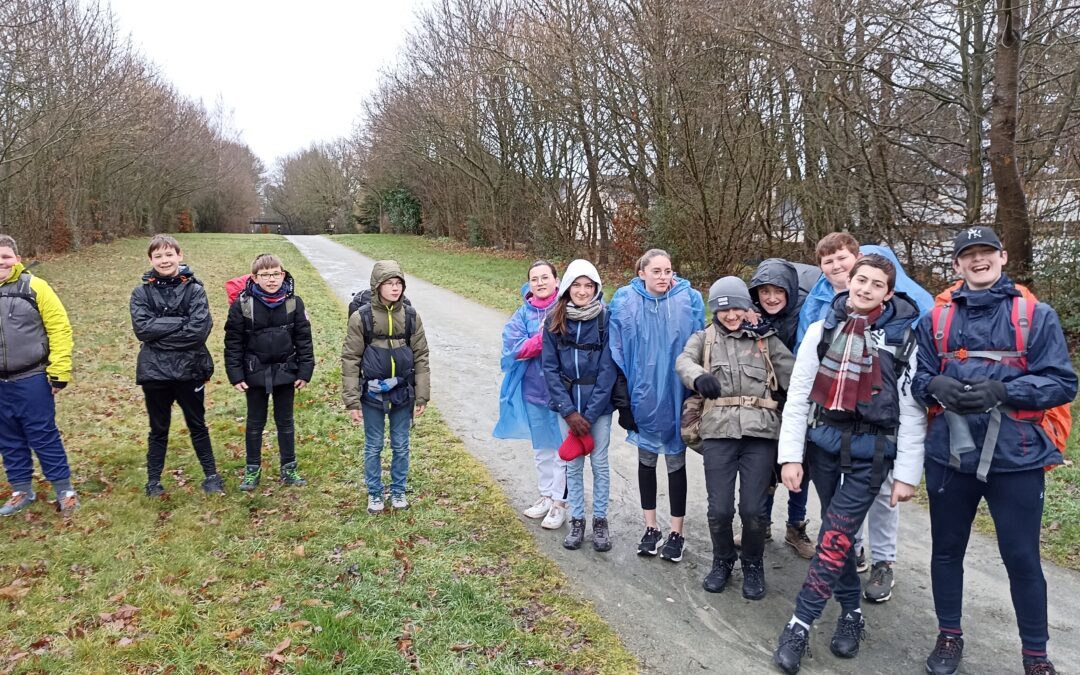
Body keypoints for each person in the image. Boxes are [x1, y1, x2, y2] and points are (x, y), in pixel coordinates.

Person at [914, 227, 1076, 675]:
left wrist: (1002, 390)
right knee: (946, 550)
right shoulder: (936, 319)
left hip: (1017, 457)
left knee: (1021, 557)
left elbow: (1063, 383)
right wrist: (934, 384)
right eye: (968, 255)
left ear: (1003, 257)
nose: (978, 260)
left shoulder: (1035, 315)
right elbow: (918, 378)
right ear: (956, 265)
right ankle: (949, 636)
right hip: (950, 455)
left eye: (986, 252)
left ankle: (1036, 656)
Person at [773, 254, 925, 674]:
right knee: (836, 539)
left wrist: (907, 475)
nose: (865, 289)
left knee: (835, 536)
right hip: (823, 447)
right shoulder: (824, 328)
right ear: (849, 282)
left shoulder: (903, 337)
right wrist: (791, 455)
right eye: (860, 280)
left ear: (888, 293)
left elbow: (911, 409)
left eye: (876, 284)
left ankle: (799, 625)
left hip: (872, 454)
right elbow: (800, 392)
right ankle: (852, 614)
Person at [796, 232, 934, 602]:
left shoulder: (899, 294)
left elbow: (923, 329)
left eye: (843, 259)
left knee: (883, 492)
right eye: (829, 262)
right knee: (840, 495)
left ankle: (884, 561)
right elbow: (806, 346)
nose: (837, 267)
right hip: (836, 413)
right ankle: (849, 548)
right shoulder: (823, 302)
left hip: (881, 415)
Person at [676, 276, 793, 598]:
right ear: (714, 310)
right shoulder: (704, 339)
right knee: (720, 510)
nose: (731, 316)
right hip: (718, 432)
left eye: (737, 308)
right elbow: (683, 361)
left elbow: (796, 376)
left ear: (747, 307)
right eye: (723, 310)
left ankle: (753, 563)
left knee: (754, 510)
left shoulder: (765, 340)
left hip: (760, 434)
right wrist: (699, 377)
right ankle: (723, 560)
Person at [609, 249, 705, 562]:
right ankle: (651, 527)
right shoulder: (625, 301)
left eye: (668, 271)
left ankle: (677, 532)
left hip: (677, 395)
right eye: (656, 271)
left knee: (676, 464)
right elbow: (617, 351)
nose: (663, 277)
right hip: (643, 397)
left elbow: (702, 343)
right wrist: (624, 401)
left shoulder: (688, 300)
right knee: (646, 461)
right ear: (642, 273)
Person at [130, 235, 223, 497]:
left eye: (169, 254)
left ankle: (211, 476)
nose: (164, 260)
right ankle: (153, 481)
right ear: (151, 260)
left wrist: (161, 332)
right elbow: (142, 329)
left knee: (197, 423)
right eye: (158, 256)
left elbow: (198, 330)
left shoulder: (195, 290)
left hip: (190, 369)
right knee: (158, 427)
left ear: (179, 256)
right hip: (154, 372)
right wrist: (180, 322)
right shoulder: (141, 292)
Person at [746, 258, 822, 558]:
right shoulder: (750, 316)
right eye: (764, 291)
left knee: (800, 466)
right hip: (765, 403)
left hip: (799, 402)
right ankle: (761, 524)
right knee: (764, 466)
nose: (771, 297)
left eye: (778, 290)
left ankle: (795, 525)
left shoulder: (805, 318)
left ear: (790, 291)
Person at [341, 260, 430, 515]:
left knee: (401, 444)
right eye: (389, 283)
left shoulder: (411, 316)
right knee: (374, 445)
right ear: (377, 286)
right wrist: (352, 401)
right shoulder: (362, 317)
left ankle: (399, 489)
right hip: (371, 393)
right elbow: (350, 359)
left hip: (403, 392)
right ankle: (375, 493)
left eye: (398, 283)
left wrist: (421, 394)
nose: (394, 289)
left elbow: (421, 355)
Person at [0, 234, 79, 517]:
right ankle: (21, 490)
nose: (1, 263)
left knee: (43, 435)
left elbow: (59, 328)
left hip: (32, 377)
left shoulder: (35, 287)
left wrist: (59, 372)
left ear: (17, 259)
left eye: (6, 257)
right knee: (7, 438)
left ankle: (64, 490)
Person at [541, 259, 616, 552]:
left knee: (599, 463)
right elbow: (549, 368)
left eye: (588, 286)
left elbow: (608, 369)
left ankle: (600, 521)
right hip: (567, 407)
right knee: (572, 464)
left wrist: (590, 414)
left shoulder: (605, 320)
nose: (582, 292)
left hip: (598, 409)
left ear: (596, 288)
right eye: (577, 285)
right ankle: (577, 520)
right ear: (567, 287)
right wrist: (569, 412)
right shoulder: (553, 321)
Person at [224, 254, 315, 491]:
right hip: (254, 373)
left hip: (286, 371)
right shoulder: (242, 305)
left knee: (285, 422)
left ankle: (289, 469)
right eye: (265, 275)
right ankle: (252, 470)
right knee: (255, 423)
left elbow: (304, 340)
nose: (272, 279)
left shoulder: (294, 303)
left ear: (283, 275)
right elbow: (233, 342)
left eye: (276, 274)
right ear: (255, 277)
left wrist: (305, 371)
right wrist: (236, 374)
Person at [494, 260, 567, 529]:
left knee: (563, 450)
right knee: (542, 448)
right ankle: (546, 496)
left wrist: (536, 340)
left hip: (563, 392)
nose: (540, 283)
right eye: (534, 279)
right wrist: (542, 339)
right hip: (534, 391)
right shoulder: (522, 314)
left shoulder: (566, 308)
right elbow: (514, 349)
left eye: (545, 277)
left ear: (556, 280)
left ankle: (560, 503)